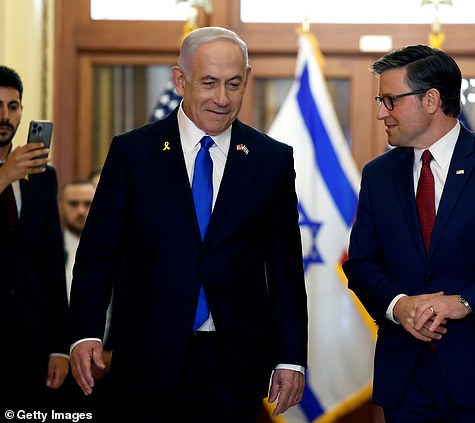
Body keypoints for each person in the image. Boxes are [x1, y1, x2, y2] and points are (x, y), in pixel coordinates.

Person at [69, 26, 307, 422]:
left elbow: (285, 269)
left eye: (233, 84)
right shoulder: (132, 153)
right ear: (180, 80)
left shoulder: (271, 160)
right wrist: (86, 330)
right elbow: (97, 254)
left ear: (247, 79)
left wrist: (291, 359)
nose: (222, 98)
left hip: (234, 364)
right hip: (145, 359)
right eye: (209, 83)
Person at [342, 45, 475, 422]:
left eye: (390, 100)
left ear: (431, 100)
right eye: (381, 100)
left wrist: (465, 301)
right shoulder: (378, 174)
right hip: (407, 374)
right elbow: (361, 263)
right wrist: (398, 305)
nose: (381, 113)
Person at [0, 65, 69, 405]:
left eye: (12, 107)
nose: (5, 115)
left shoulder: (42, 176)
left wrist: (60, 346)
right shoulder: (12, 171)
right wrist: (3, 176)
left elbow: (52, 265)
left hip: (31, 341)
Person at [60, 178, 95, 302]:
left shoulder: (117, 248)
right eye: (73, 204)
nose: (81, 211)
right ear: (61, 205)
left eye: (88, 204)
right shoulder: (47, 249)